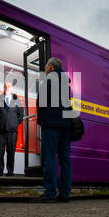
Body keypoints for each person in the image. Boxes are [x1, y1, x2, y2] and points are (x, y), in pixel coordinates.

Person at [36, 57, 72, 202]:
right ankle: (65, 194)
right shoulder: (66, 84)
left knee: (49, 158)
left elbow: (41, 104)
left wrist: (40, 121)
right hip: (66, 125)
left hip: (51, 124)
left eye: (46, 66)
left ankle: (50, 193)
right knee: (65, 160)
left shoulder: (49, 80)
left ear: (50, 66)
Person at [0, 82, 24, 176]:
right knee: (0, 152)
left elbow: (21, 115)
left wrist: (15, 124)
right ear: (3, 88)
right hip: (0, 130)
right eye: (5, 86)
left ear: (12, 89)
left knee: (11, 152)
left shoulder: (17, 100)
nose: (7, 88)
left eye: (9, 86)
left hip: (12, 131)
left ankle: (10, 172)